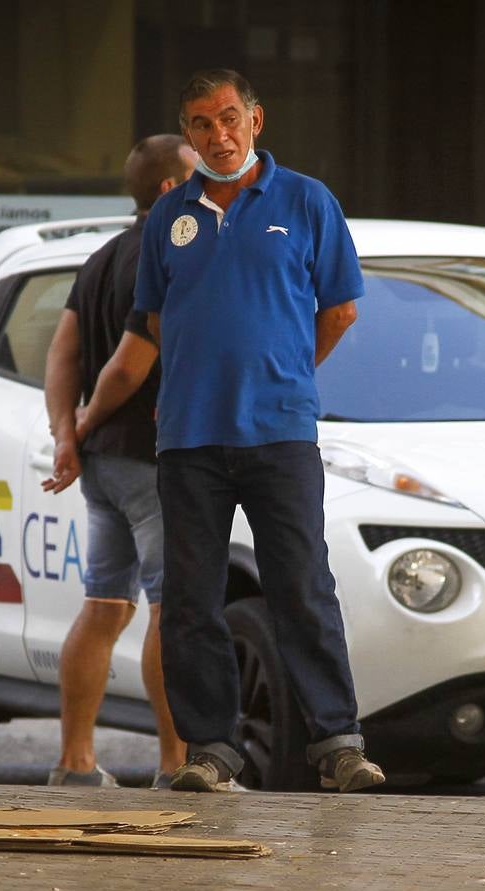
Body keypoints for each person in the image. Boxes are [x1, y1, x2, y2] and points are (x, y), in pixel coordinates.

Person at [132, 68, 385, 793]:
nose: (219, 135)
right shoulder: (167, 217)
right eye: (202, 125)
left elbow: (340, 310)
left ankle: (338, 743)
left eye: (230, 118)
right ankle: (211, 749)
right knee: (190, 599)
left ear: (256, 119)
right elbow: (156, 318)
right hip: (189, 439)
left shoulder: (307, 201)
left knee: (302, 588)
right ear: (187, 136)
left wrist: (282, 372)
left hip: (279, 434)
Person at [37, 135, 198, 788]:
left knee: (104, 606)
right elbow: (132, 364)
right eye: (197, 173)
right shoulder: (174, 253)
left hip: (103, 467)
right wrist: (88, 419)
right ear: (169, 190)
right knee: (171, 610)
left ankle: (75, 763)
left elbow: (61, 353)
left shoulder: (101, 259)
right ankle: (178, 764)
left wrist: (66, 435)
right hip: (155, 461)